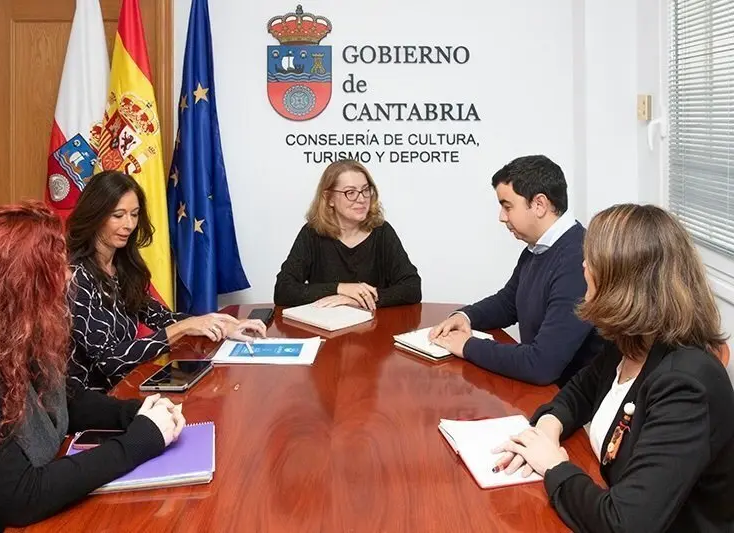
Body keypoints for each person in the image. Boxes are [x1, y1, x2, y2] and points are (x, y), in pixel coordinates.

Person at [0, 202, 185, 531]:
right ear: (15, 285)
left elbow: (65, 401)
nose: (68, 276)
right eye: (54, 267)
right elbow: (21, 498)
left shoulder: (12, 338)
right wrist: (139, 442)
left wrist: (134, 413)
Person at [493, 204, 734, 532]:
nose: (583, 265)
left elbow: (625, 524)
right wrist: (548, 426)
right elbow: (579, 392)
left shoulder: (685, 385)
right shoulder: (631, 341)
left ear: (623, 280)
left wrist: (553, 466)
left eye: (592, 259)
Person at [67, 171, 265, 392]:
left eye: (134, 214)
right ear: (95, 215)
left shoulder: (122, 268)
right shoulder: (75, 276)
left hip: (127, 385)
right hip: (90, 397)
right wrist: (182, 328)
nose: (129, 224)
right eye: (118, 215)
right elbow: (108, 359)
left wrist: (218, 325)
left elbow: (159, 317)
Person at [429, 155, 599, 386]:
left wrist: (467, 346)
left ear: (539, 204)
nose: (502, 217)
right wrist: (465, 316)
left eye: (507, 206)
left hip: (566, 399)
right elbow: (508, 303)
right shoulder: (536, 249)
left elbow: (542, 364)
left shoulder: (578, 260)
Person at [273, 159, 421, 311]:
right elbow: (283, 290)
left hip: (375, 323)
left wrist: (358, 300)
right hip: (326, 323)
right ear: (329, 198)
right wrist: (341, 288)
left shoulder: (382, 231)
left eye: (365, 190)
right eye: (350, 192)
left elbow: (412, 287)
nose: (362, 199)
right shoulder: (312, 233)